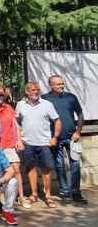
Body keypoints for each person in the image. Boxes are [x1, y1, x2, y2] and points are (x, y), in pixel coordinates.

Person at [16, 82, 62, 208]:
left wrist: (55, 137)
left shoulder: (47, 104)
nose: (36, 92)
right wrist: (19, 138)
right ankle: (34, 194)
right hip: (27, 143)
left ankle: (48, 196)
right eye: (33, 90)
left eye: (38, 90)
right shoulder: (20, 105)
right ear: (27, 92)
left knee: (46, 169)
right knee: (31, 168)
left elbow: (57, 120)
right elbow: (16, 122)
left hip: (44, 143)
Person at [42, 75, 87, 204]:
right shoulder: (44, 99)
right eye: (58, 84)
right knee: (59, 166)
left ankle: (76, 192)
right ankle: (65, 192)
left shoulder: (71, 97)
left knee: (75, 164)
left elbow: (80, 114)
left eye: (62, 83)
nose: (61, 86)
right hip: (55, 138)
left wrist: (78, 132)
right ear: (51, 85)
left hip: (72, 137)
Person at [0, 87, 30, 209]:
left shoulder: (8, 108)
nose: (1, 97)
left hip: (9, 143)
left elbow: (15, 125)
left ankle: (21, 197)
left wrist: (19, 140)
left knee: (16, 169)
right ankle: (1, 197)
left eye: (2, 95)